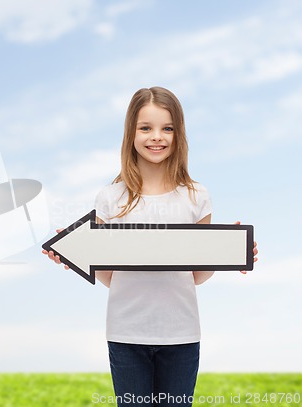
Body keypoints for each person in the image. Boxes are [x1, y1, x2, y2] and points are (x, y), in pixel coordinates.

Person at [42, 86, 258, 407]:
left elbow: (197, 275)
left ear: (178, 134)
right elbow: (110, 275)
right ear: (131, 133)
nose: (156, 137)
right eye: (146, 128)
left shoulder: (196, 196)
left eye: (167, 128)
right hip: (126, 334)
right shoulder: (110, 198)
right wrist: (75, 255)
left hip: (181, 333)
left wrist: (229, 253)